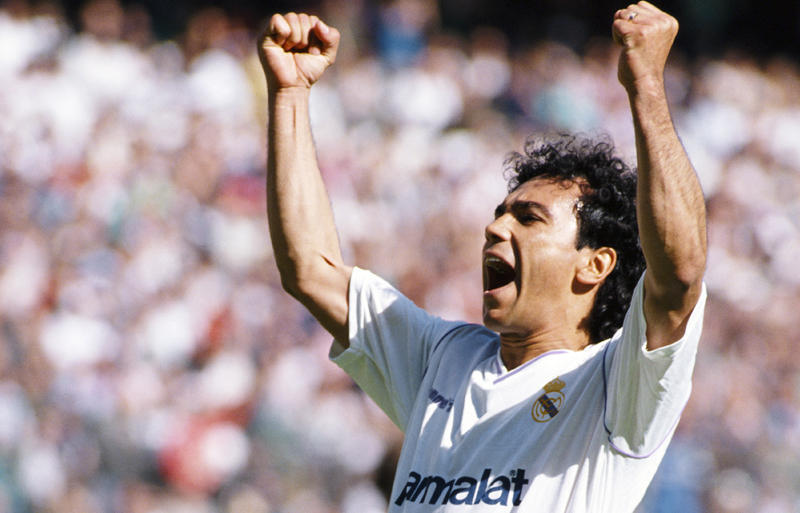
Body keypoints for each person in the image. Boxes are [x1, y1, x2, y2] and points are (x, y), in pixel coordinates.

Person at [257, 1, 707, 511]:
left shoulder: (618, 388)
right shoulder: (444, 359)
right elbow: (311, 270)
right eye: (501, 213)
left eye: (528, 218)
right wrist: (290, 93)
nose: (494, 228)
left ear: (595, 264)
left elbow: (678, 275)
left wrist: (646, 84)